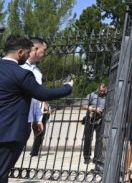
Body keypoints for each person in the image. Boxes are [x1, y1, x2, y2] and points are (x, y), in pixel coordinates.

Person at [0, 35, 73, 183]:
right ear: (20, 52)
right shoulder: (21, 73)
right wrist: (67, 88)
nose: (28, 56)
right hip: (10, 134)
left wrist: (36, 118)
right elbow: (43, 94)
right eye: (27, 53)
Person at [20, 37, 48, 157]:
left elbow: (36, 97)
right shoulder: (19, 65)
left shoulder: (37, 71)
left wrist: (37, 119)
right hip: (14, 116)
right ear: (36, 49)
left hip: (28, 119)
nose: (45, 53)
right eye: (44, 50)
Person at [82, 83, 107, 171]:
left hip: (101, 119)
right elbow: (84, 106)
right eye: (101, 91)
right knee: (88, 138)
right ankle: (86, 157)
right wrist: (93, 109)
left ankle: (97, 158)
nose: (102, 92)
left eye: (104, 91)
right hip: (90, 119)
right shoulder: (91, 95)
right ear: (98, 89)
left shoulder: (107, 96)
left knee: (99, 140)